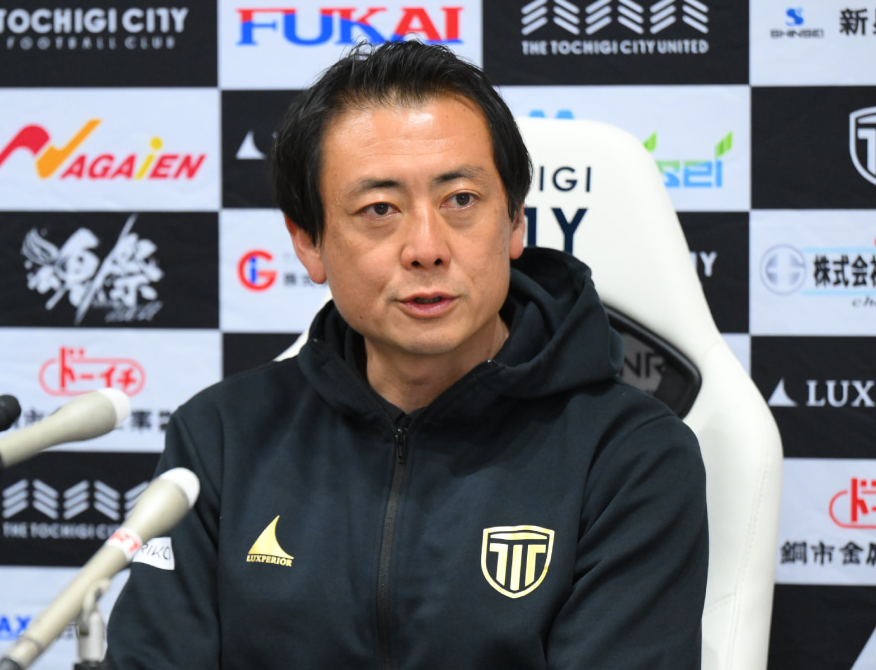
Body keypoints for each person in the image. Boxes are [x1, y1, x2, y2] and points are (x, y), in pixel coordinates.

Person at [106, 40, 707, 669]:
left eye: (461, 200)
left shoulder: (630, 455)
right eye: (380, 209)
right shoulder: (221, 438)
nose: (426, 247)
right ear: (309, 242)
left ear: (515, 223)